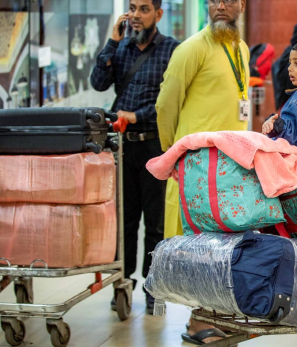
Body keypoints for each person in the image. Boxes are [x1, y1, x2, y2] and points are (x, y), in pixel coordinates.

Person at [155, 0, 249, 344]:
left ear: (241, 5)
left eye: (229, 0)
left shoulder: (240, 48)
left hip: (229, 171)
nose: (220, 5)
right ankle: (197, 321)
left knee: (221, 247)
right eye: (214, 0)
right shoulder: (191, 49)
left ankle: (215, 314)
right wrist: (173, 153)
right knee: (196, 248)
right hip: (194, 170)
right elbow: (166, 104)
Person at [89, 0, 179, 315]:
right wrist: (112, 41)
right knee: (125, 221)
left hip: (154, 146)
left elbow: (169, 101)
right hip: (122, 147)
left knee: (154, 223)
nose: (136, 15)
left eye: (143, 9)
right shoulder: (121, 47)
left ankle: (153, 286)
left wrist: (136, 115)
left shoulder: (171, 50)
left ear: (158, 14)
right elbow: (98, 83)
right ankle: (122, 282)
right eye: (132, 8)